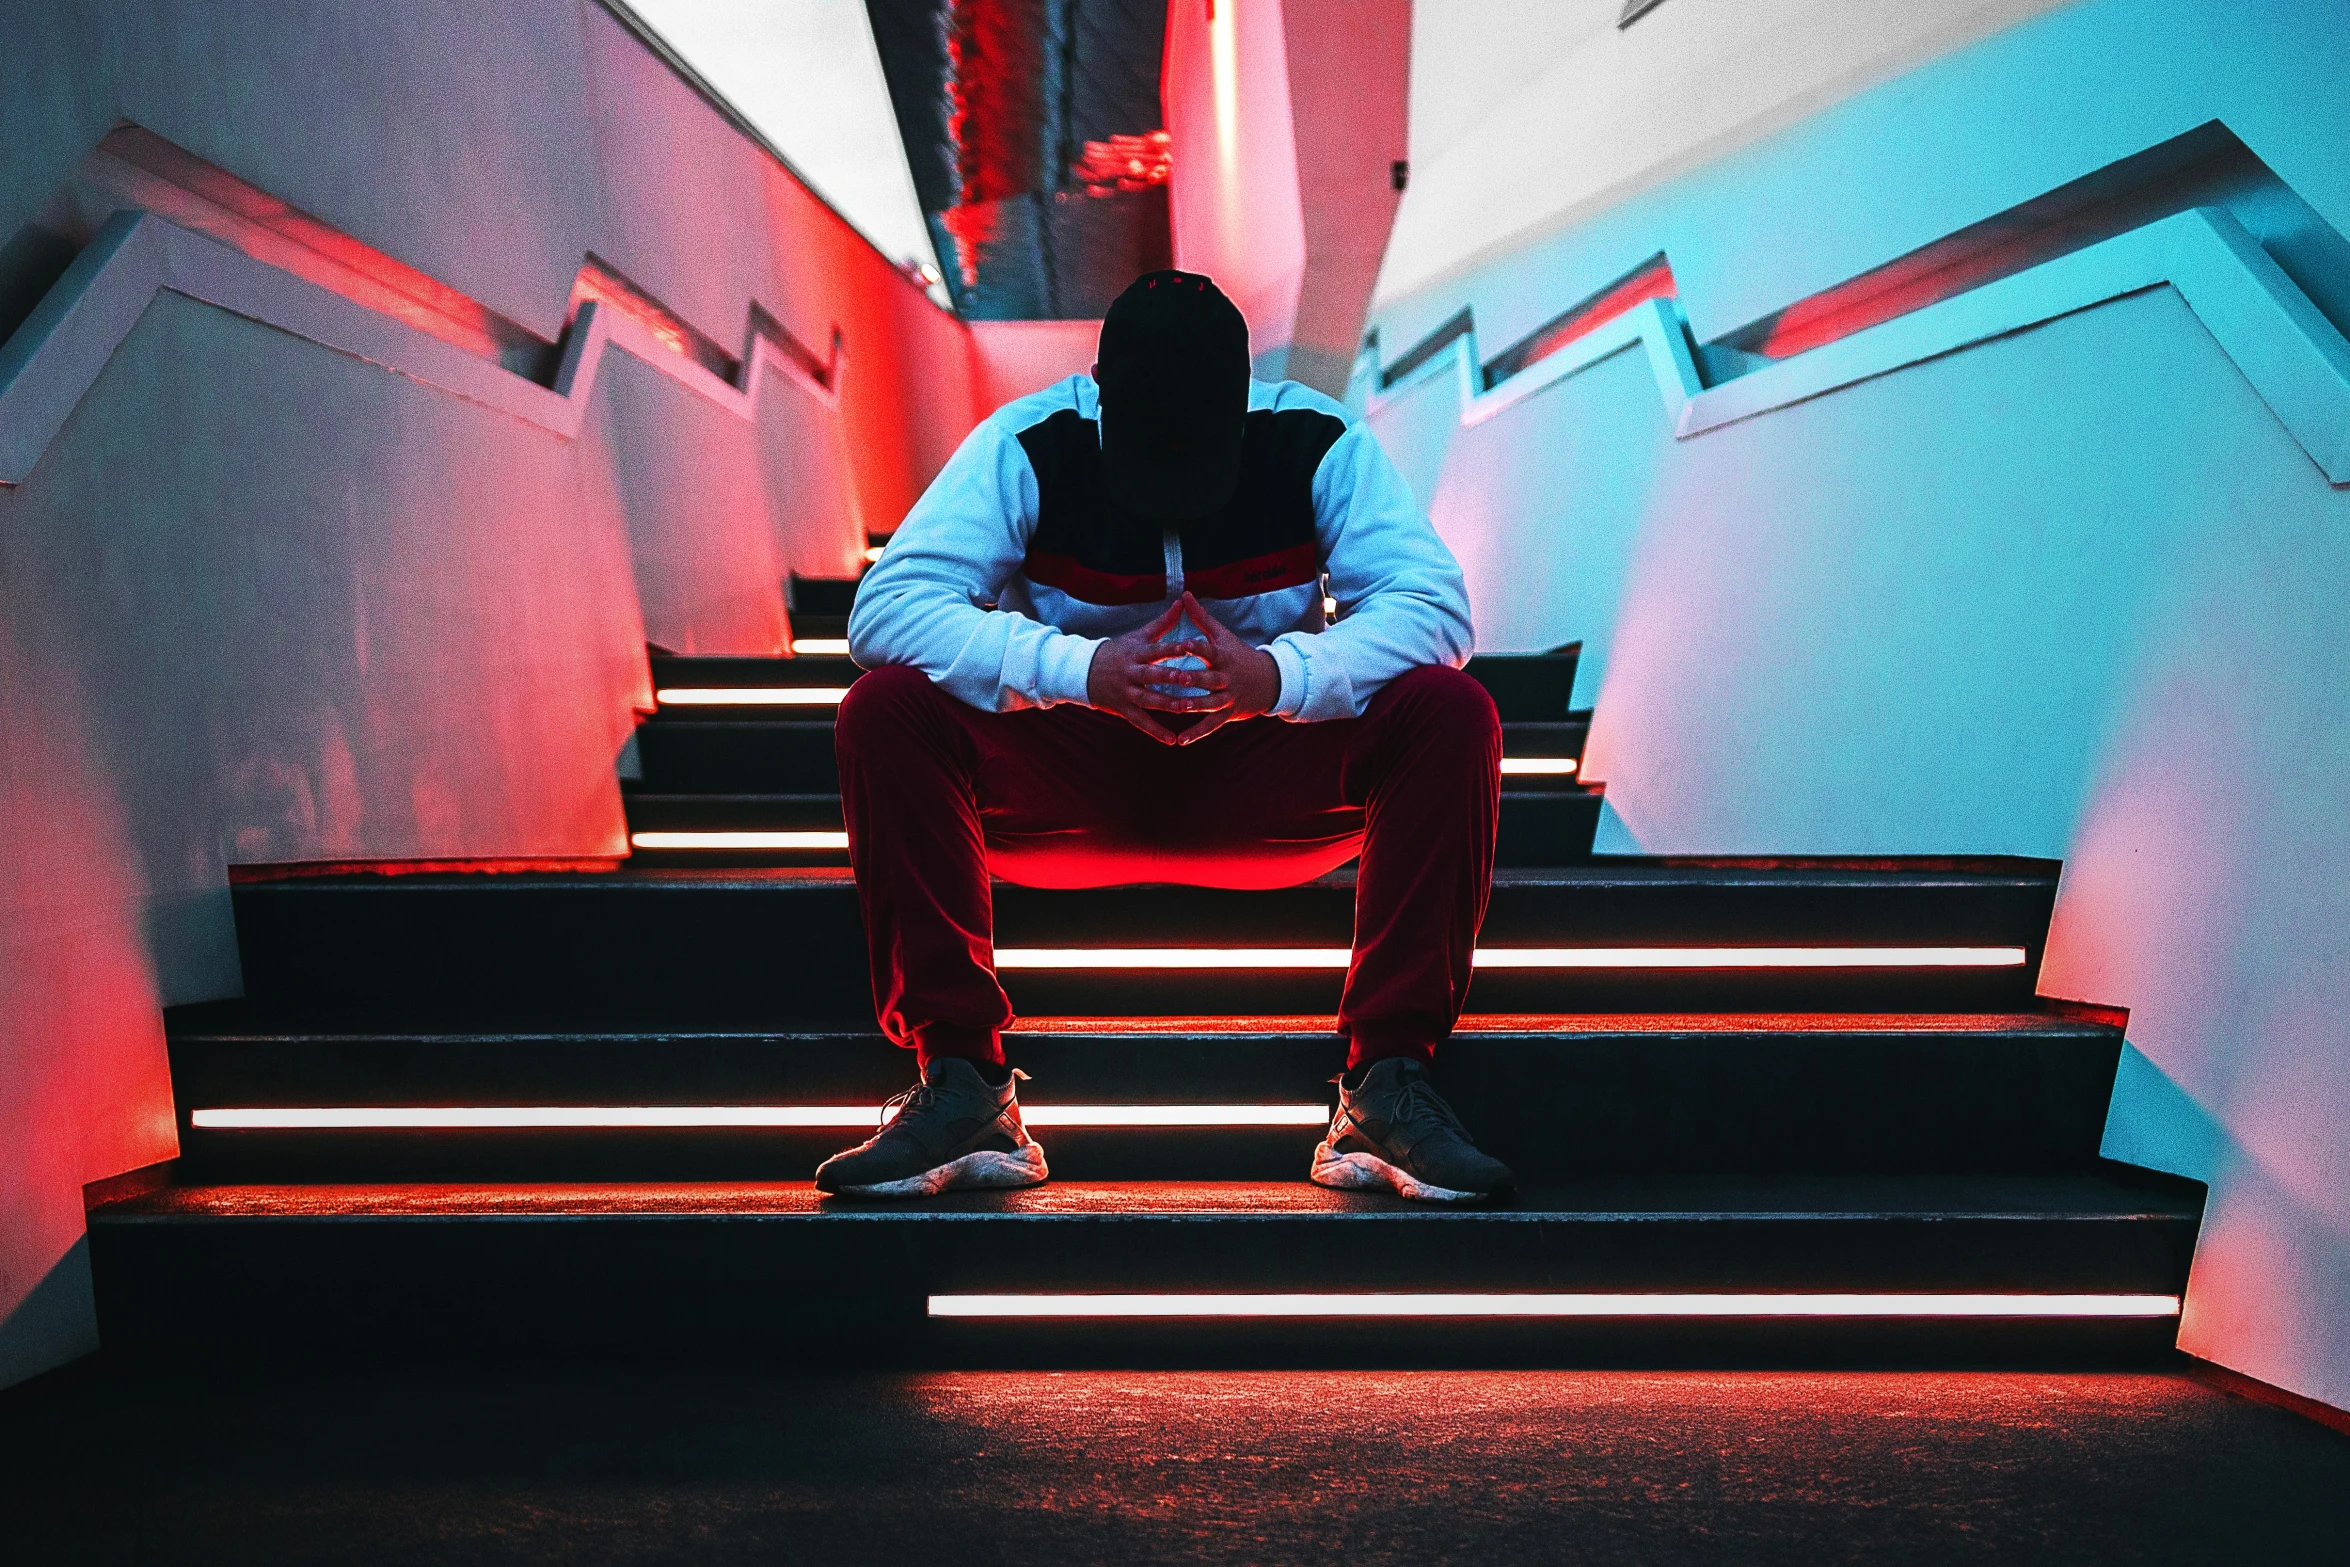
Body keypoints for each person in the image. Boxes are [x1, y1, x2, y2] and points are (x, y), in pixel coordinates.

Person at [816, 270, 1512, 1204]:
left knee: (1453, 710)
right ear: (1099, 393)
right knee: (883, 708)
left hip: (1261, 778)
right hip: (1076, 774)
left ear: (1245, 402)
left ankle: (1386, 1083)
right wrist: (1083, 671)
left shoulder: (1313, 437)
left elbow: (1436, 608)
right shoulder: (1028, 442)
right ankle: (963, 1084)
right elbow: (888, 609)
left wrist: (1275, 678)